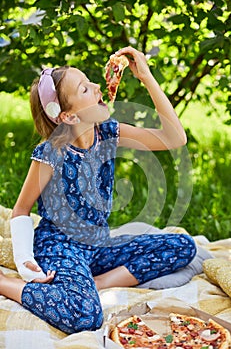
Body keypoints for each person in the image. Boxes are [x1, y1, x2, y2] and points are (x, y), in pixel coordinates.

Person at [0, 46, 196, 334]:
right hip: (61, 248)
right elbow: (20, 209)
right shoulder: (51, 153)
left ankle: (98, 282)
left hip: (99, 246)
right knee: (86, 317)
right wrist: (24, 260)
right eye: (84, 89)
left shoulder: (108, 133)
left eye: (89, 82)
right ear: (68, 116)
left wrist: (147, 77)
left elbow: (174, 138)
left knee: (182, 246)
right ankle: (6, 284)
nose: (95, 86)